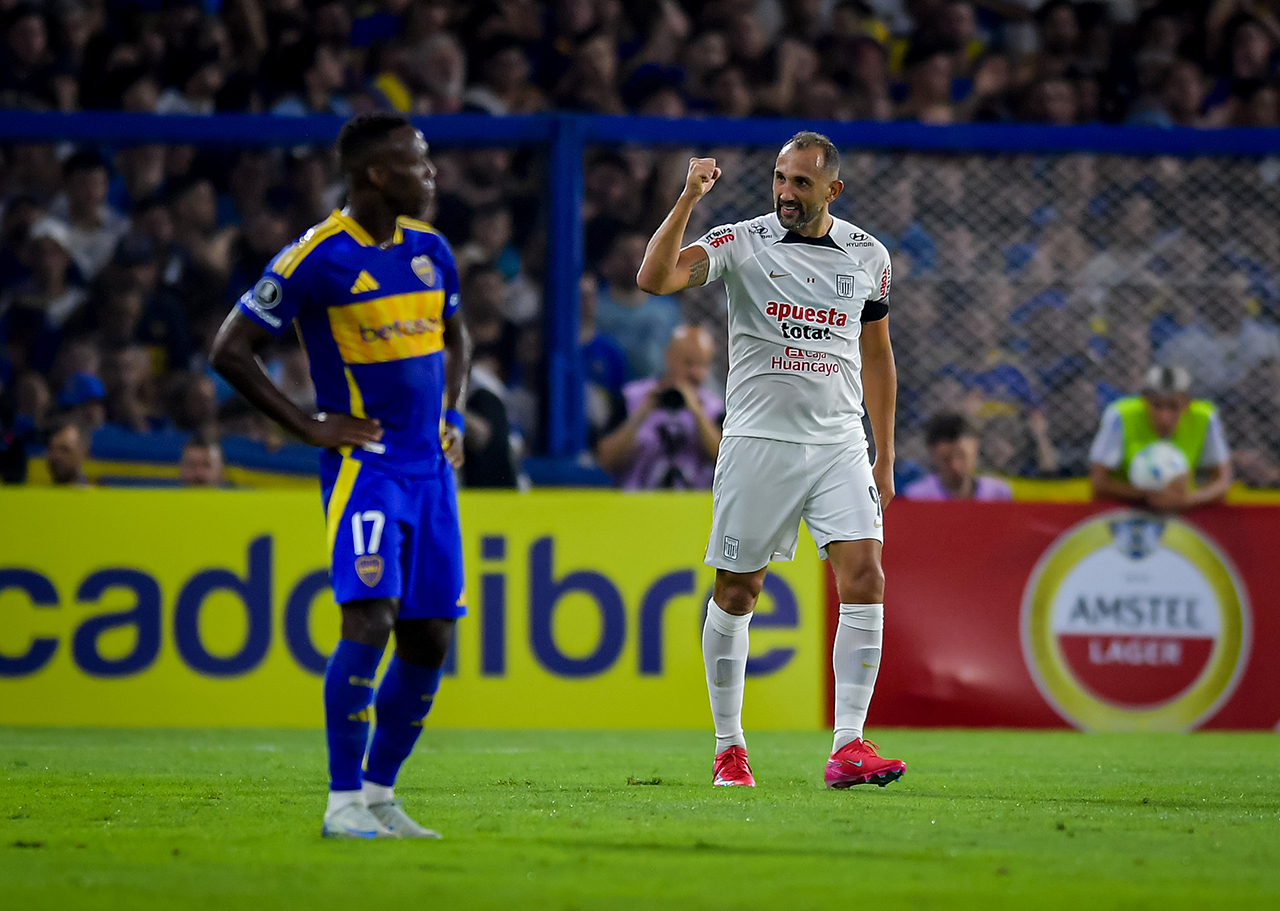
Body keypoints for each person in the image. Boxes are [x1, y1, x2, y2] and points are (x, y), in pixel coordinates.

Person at [210, 113, 472, 840]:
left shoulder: (430, 250)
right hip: (369, 470)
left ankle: (379, 794)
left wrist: (452, 411)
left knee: (430, 638)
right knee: (371, 618)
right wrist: (308, 426)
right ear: (376, 175)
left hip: (431, 472)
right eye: (417, 163)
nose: (431, 174)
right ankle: (340, 802)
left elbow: (458, 338)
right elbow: (229, 349)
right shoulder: (316, 257)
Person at [636, 131, 905, 790]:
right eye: (780, 179)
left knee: (866, 577)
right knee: (737, 591)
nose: (786, 192)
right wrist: (688, 199)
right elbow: (654, 279)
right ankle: (729, 748)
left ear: (832, 190)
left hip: (840, 443)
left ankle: (848, 745)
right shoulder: (741, 241)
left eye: (801, 183)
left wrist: (884, 454)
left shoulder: (869, 256)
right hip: (758, 443)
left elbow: (876, 356)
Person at [595, 324, 723, 489]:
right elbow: (605, 460)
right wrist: (640, 415)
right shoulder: (631, 398)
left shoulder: (714, 409)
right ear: (668, 357)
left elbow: (724, 460)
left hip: (693, 503)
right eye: (689, 363)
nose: (695, 373)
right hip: (636, 501)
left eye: (703, 365)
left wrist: (698, 413)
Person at [1088, 365, 1232, 512]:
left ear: (1187, 403)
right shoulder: (1119, 415)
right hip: (1125, 511)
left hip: (1184, 515)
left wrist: (1187, 500)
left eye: (1173, 407)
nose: (1164, 417)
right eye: (1157, 405)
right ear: (1145, 400)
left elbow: (1222, 482)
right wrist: (1149, 495)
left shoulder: (1205, 418)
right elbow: (1099, 484)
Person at [902, 412, 1013, 501]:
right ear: (933, 455)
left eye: (961, 456)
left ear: (974, 450)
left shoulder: (997, 494)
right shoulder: (918, 497)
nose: (955, 465)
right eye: (946, 459)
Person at [46, 419, 91, 486]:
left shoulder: (95, 492)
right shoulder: (36, 491)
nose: (56, 456)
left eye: (65, 450)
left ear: (83, 453)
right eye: (52, 449)